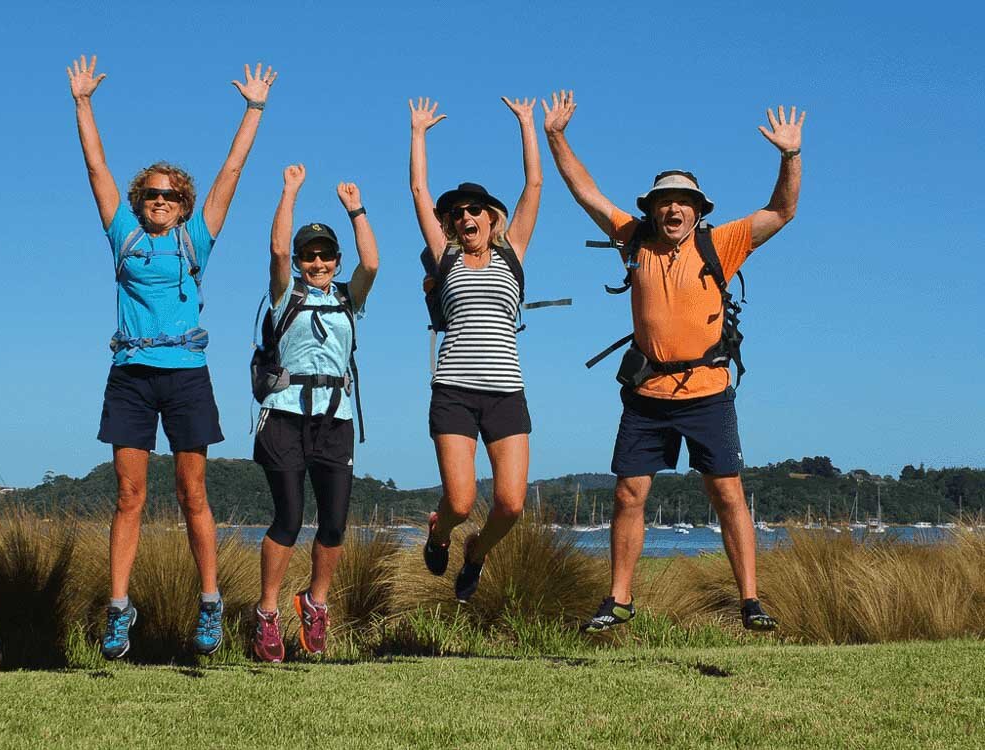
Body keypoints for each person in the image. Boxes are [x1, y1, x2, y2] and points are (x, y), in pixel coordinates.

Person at [543, 91, 804, 632]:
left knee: (727, 492)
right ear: (652, 209)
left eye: (683, 200)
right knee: (628, 492)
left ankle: (750, 601)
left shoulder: (722, 244)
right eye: (664, 201)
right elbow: (585, 193)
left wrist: (789, 156)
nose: (673, 208)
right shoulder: (633, 240)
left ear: (698, 210)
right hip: (647, 394)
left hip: (708, 390)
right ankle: (619, 601)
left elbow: (782, 211)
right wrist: (556, 137)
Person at [67, 55, 277, 659]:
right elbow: (95, 164)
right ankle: (118, 609)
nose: (160, 199)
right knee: (129, 495)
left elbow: (232, 171)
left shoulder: (196, 239)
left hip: (186, 377)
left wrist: (254, 108)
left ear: (184, 204)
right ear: (140, 200)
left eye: (171, 194)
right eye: (152, 193)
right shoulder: (122, 234)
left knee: (193, 494)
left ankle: (209, 602)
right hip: (130, 375)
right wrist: (83, 102)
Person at [408, 96, 541, 601]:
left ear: (491, 218)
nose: (466, 215)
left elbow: (534, 186)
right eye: (457, 212)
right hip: (454, 391)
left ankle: (477, 553)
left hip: (506, 392)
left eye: (475, 209)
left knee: (509, 505)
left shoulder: (513, 253)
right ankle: (440, 533)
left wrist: (528, 124)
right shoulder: (445, 258)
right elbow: (419, 190)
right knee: (460, 503)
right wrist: (419, 131)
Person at [251, 165, 378, 663]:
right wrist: (288, 191)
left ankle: (315, 603)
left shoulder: (349, 298)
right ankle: (267, 615)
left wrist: (356, 210)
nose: (318, 262)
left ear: (336, 260)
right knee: (289, 517)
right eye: (311, 255)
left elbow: (372, 262)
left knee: (334, 524)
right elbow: (277, 250)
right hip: (283, 415)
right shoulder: (285, 293)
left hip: (336, 418)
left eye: (326, 255)